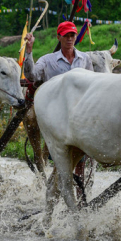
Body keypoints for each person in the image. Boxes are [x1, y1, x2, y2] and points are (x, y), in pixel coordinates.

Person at [23, 21, 94, 201]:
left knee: (82, 156)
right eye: (66, 36)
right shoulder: (48, 60)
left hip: (79, 114)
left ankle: (80, 195)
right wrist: (29, 51)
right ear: (59, 37)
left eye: (72, 35)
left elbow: (93, 85)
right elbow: (31, 76)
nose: (70, 39)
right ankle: (58, 189)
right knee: (63, 158)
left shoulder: (84, 59)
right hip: (56, 115)